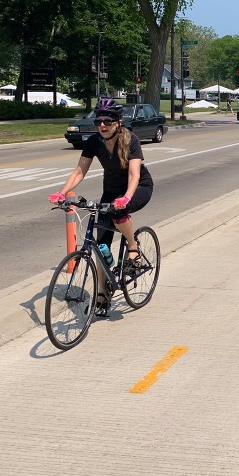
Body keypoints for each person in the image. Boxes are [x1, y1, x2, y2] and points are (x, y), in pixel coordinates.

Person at [49, 97, 154, 317]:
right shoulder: (94, 142)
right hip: (111, 191)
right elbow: (80, 171)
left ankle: (133, 247)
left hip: (138, 188)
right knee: (101, 243)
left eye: (108, 120)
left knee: (118, 212)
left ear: (119, 122)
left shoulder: (130, 140)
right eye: (99, 121)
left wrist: (126, 197)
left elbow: (135, 174)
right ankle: (102, 294)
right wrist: (62, 192)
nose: (103, 125)